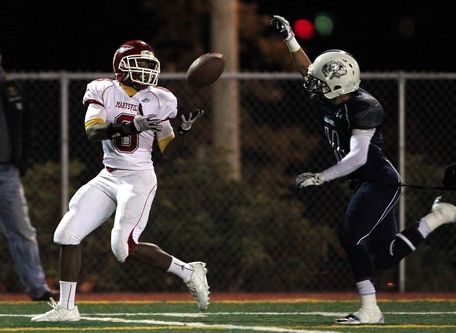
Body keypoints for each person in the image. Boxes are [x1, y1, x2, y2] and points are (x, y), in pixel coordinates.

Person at [271, 16, 456, 324]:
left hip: (378, 181)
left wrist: (319, 177)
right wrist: (290, 38)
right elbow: (307, 71)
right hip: (365, 181)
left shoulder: (364, 107)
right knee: (382, 256)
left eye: (320, 82)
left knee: (350, 234)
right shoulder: (333, 97)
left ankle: (370, 310)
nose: (312, 85)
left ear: (339, 85)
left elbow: (357, 159)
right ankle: (439, 217)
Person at [31, 40, 209, 322]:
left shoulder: (161, 99)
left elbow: (167, 152)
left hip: (138, 178)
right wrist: (130, 125)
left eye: (151, 65)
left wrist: (183, 132)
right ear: (121, 67)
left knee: (123, 247)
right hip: (109, 175)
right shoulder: (102, 89)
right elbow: (93, 132)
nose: (148, 71)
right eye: (141, 64)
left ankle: (188, 271)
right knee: (67, 233)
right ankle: (66, 308)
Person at [0, 50, 59, 301]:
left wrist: (23, 159)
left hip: (7, 172)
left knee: (22, 231)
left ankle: (37, 288)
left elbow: (27, 125)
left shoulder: (12, 88)